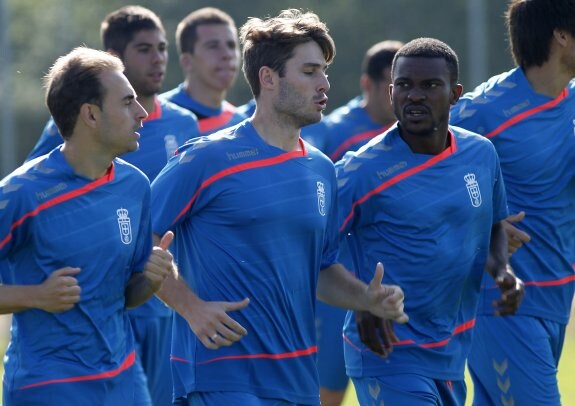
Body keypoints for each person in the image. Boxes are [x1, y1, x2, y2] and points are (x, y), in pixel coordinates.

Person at [150, 9, 409, 405]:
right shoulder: (206, 158)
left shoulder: (322, 169)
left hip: (297, 378)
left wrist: (366, 298)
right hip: (221, 374)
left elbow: (320, 270)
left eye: (323, 71)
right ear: (268, 78)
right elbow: (138, 236)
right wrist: (190, 307)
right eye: (309, 72)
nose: (324, 83)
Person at [24, 7, 198, 405]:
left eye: (162, 48)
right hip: (94, 309)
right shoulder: (69, 129)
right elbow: (38, 195)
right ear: (114, 58)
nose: (158, 59)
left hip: (159, 301)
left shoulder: (183, 125)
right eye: (144, 49)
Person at [337, 37, 525, 405]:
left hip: (451, 354)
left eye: (430, 85)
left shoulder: (480, 155)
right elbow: (314, 246)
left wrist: (503, 271)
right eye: (404, 85)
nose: (415, 95)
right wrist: (362, 299)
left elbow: (491, 226)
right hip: (387, 354)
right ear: (391, 92)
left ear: (455, 94)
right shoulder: (361, 169)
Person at [0, 47, 174, 405]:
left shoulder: (135, 185)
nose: (142, 113)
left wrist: (151, 280)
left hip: (124, 379)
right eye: (127, 103)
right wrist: (34, 296)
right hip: (48, 385)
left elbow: (127, 294)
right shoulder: (22, 193)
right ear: (91, 115)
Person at [449, 1, 575, 404]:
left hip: (556, 301)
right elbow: (410, 172)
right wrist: (484, 223)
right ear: (561, 34)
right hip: (501, 303)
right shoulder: (485, 111)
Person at [301, 39, 403, 406]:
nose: (402, 96)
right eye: (394, 86)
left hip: (391, 282)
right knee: (327, 389)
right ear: (368, 85)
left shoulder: (414, 138)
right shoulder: (335, 131)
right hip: (338, 284)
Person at [160, 7, 246, 135]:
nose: (227, 54)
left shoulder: (241, 123)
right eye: (213, 46)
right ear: (187, 61)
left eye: (231, 45)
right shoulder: (157, 116)